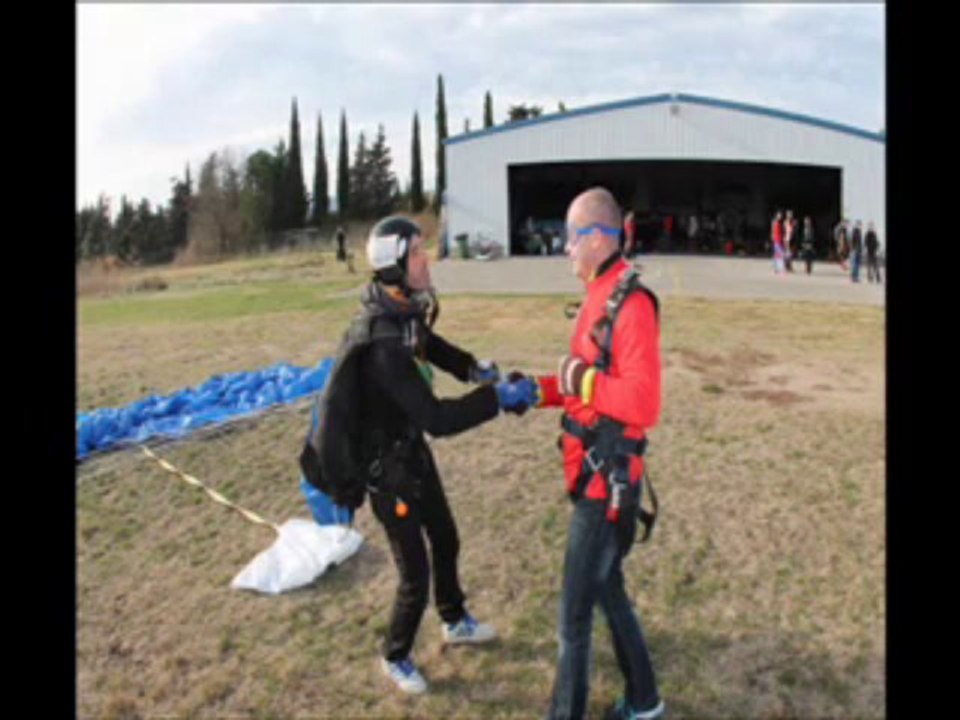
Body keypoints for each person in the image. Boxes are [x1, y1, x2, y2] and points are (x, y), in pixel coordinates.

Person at [314, 216, 539, 695]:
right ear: (394, 265)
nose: (426, 258)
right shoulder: (381, 344)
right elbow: (438, 418)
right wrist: (496, 399)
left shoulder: (403, 312)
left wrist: (474, 369)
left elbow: (430, 344)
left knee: (447, 537)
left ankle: (454, 619)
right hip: (386, 474)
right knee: (414, 573)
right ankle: (395, 654)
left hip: (410, 453)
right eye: (417, 252)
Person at [519, 187, 665, 720]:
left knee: (572, 622)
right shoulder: (599, 294)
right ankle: (645, 702)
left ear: (599, 237)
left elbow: (643, 402)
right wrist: (534, 390)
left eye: (571, 237)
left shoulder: (631, 304)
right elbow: (583, 378)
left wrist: (580, 381)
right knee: (608, 592)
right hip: (593, 475)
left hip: (606, 488)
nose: (565, 249)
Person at [771, 210, 785, 275]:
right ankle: (779, 269)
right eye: (779, 215)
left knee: (777, 255)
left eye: (781, 215)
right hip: (777, 240)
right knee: (779, 254)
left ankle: (777, 269)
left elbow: (782, 232)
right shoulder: (775, 222)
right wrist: (773, 237)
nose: (780, 216)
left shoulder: (780, 223)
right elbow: (773, 232)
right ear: (776, 215)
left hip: (780, 240)